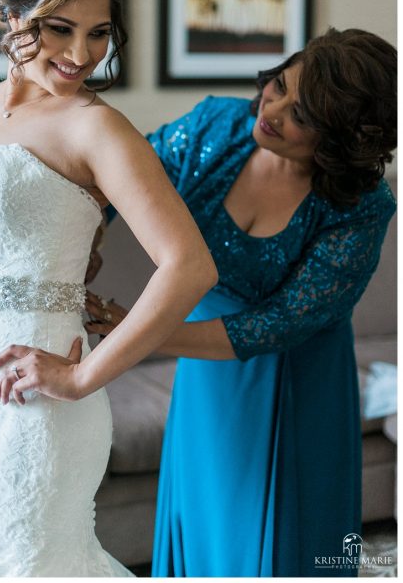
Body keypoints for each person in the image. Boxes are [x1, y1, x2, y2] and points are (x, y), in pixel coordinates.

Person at [0, 0, 217, 577]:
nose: (82, 53)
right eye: (60, 28)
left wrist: (83, 375)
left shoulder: (95, 127)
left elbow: (189, 265)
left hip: (38, 398)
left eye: (99, 32)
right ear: (13, 13)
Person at [75, 28, 395, 577]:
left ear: (340, 141)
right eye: (280, 86)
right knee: (207, 523)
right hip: (204, 368)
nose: (273, 109)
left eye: (303, 115)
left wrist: (138, 329)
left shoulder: (362, 206)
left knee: (284, 542)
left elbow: (278, 324)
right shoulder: (215, 127)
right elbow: (118, 178)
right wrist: (88, 241)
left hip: (299, 378)